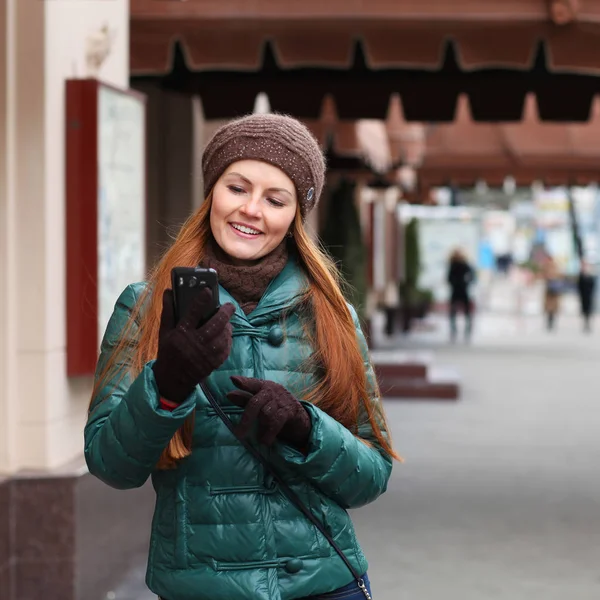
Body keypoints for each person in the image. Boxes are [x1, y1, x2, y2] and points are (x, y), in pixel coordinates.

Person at [85, 114, 398, 600]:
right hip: (201, 587)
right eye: (237, 188)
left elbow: (373, 475)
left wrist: (306, 428)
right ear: (213, 192)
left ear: (295, 216)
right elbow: (110, 464)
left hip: (322, 585)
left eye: (275, 199)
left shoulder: (332, 315)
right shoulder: (146, 305)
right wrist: (165, 387)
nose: (251, 210)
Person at [447, 248, 475, 342]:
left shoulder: (464, 265)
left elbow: (471, 276)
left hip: (462, 289)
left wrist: (465, 282)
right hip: (457, 289)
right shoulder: (453, 265)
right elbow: (449, 278)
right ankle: (454, 329)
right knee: (454, 311)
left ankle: (467, 329)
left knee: (465, 311)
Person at [542, 255, 562, 331]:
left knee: (552, 308)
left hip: (554, 291)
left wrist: (552, 277)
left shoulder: (553, 267)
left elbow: (559, 276)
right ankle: (550, 322)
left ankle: (551, 323)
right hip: (550, 291)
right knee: (549, 308)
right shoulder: (547, 267)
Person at [577, 260, 596, 333]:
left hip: (589, 296)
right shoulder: (581, 275)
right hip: (583, 296)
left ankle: (588, 324)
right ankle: (585, 324)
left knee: (589, 310)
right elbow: (579, 286)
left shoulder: (590, 275)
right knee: (584, 311)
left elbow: (593, 286)